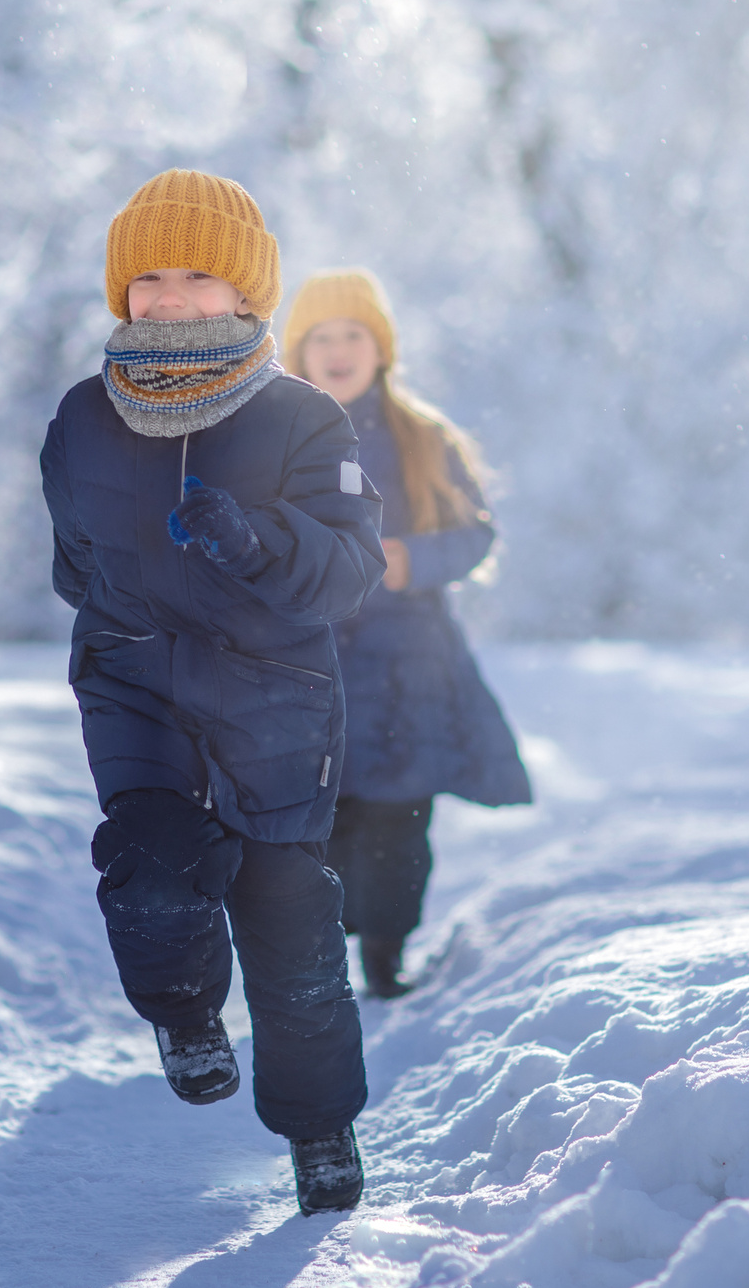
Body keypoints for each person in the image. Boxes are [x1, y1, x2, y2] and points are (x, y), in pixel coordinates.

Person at [39, 171, 387, 1215]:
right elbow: (72, 563)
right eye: (149, 276)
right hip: (136, 687)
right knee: (147, 874)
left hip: (273, 702)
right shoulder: (81, 417)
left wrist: (255, 540)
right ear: (121, 291)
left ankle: (320, 1129)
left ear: (244, 294)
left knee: (291, 938)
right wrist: (130, 622)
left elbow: (349, 569)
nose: (171, 296)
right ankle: (185, 1013)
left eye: (198, 275)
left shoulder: (302, 419)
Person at [282, 269, 531, 999]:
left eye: (352, 334)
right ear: (297, 350)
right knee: (321, 818)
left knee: (398, 817)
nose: (337, 349)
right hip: (311, 660)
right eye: (320, 336)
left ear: (380, 347)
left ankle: (386, 956)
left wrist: (412, 559)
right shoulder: (278, 436)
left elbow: (475, 533)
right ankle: (314, 957)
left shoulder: (423, 437)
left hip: (409, 664)